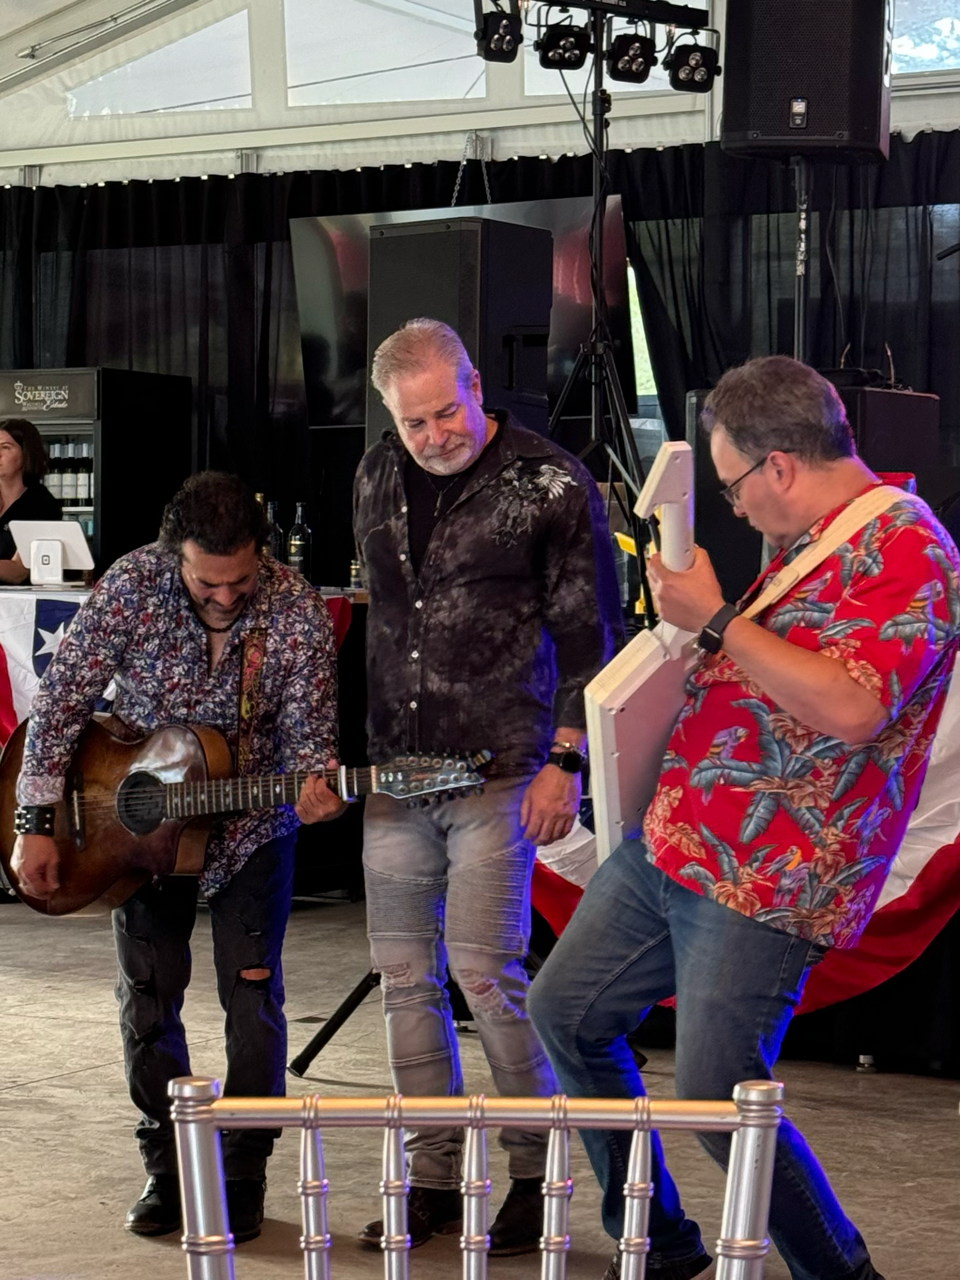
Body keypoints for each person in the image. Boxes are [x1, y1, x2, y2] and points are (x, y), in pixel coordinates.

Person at [528, 356, 960, 1280]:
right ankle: (658, 1238)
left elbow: (856, 707)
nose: (738, 505)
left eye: (734, 485)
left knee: (720, 1095)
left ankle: (841, 1274)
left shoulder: (908, 546)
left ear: (781, 465)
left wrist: (720, 619)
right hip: (679, 839)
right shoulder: (814, 538)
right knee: (565, 1011)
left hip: (772, 873)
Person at [11, 471, 346, 1244]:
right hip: (134, 826)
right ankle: (166, 1165)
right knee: (149, 994)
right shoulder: (132, 584)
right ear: (175, 559)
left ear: (261, 554)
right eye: (207, 583)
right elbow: (61, 703)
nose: (226, 597)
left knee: (252, 999)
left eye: (240, 581)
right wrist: (36, 819)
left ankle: (243, 1170)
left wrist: (317, 787)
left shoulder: (295, 607)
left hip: (252, 826)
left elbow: (311, 738)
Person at [353, 318, 622, 1254]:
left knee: (485, 975)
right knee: (403, 979)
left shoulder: (551, 482)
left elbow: (594, 639)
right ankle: (429, 1178)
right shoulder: (374, 473)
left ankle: (534, 1177)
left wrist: (566, 762)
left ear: (476, 385)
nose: (434, 435)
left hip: (503, 770)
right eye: (413, 421)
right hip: (398, 772)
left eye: (446, 411)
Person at [0, 417, 62, 583]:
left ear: (26, 453)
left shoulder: (40, 504)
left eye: (5, 447)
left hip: (16, 598)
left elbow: (19, 571)